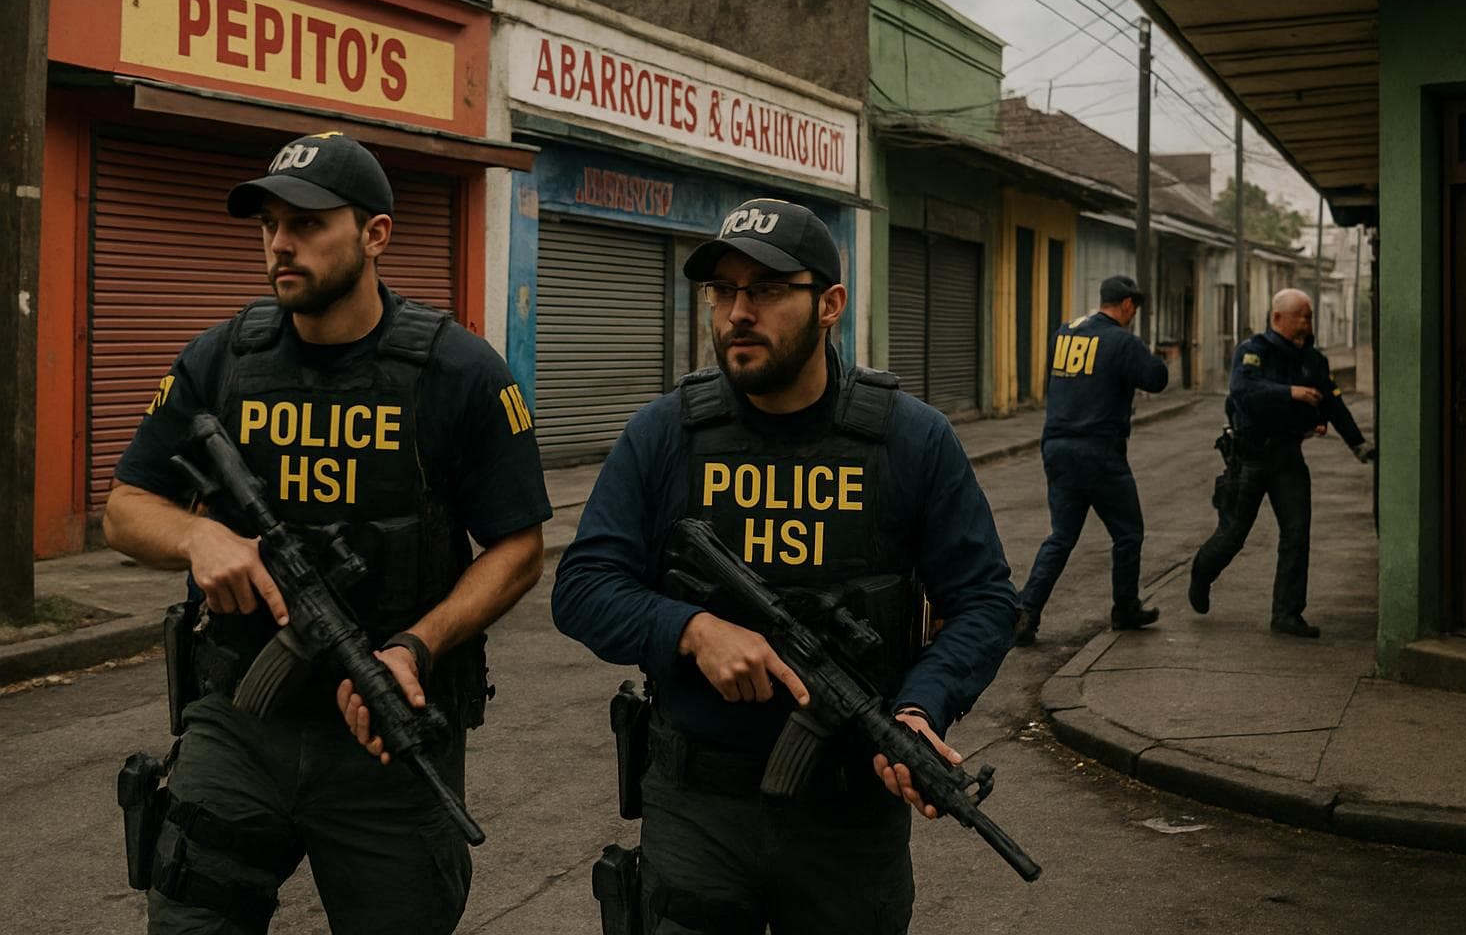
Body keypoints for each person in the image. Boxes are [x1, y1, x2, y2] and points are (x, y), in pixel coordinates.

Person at [103, 131, 550, 934]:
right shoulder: (223, 359)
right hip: (241, 713)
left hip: (384, 730)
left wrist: (418, 642)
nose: (280, 244)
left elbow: (519, 549)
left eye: (307, 224)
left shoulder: (458, 372)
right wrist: (197, 540)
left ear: (376, 234)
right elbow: (127, 507)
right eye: (269, 224)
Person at [551, 198, 1017, 934]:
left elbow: (987, 600)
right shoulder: (665, 433)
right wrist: (691, 628)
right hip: (697, 805)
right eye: (723, 291)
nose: (739, 311)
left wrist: (922, 705)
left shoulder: (911, 440)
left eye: (766, 290)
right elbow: (581, 588)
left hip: (849, 816)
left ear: (830, 303)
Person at [1187, 288, 1374, 638]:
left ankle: (1287, 613)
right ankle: (1202, 572)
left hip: (1288, 457)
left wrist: (1358, 444)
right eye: (1300, 316)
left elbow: (1333, 403)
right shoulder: (1253, 351)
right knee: (1233, 534)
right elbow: (1242, 391)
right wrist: (1291, 392)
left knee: (1296, 533)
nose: (1306, 322)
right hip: (1250, 456)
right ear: (1277, 319)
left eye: (1309, 315)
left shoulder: (1313, 361)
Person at [1013, 275, 1169, 647]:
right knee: (1128, 533)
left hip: (1057, 447)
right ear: (1128, 305)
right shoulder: (1123, 342)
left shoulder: (1065, 332)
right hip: (1099, 452)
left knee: (1061, 536)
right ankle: (1125, 608)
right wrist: (1153, 354)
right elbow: (1156, 379)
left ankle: (1024, 615)